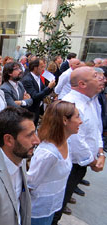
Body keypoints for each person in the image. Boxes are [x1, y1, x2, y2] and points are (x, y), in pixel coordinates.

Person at [52, 66, 106, 224]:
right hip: (70, 165)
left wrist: (100, 153)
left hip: (82, 163)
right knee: (57, 208)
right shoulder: (71, 104)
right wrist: (93, 161)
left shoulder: (91, 101)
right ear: (82, 84)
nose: (101, 79)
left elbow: (96, 128)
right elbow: (75, 140)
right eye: (96, 76)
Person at [27, 101, 82, 225]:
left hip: (52, 206)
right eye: (77, 117)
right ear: (65, 120)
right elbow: (29, 184)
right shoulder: (48, 153)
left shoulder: (66, 142)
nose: (80, 121)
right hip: (38, 212)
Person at [21, 58, 55, 125]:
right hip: (30, 110)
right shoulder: (27, 79)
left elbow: (44, 92)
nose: (43, 69)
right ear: (35, 68)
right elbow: (35, 96)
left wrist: (51, 87)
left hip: (37, 109)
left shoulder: (38, 77)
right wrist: (48, 87)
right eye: (41, 67)